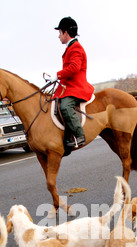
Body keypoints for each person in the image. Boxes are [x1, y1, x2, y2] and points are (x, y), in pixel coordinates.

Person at [46, 17, 94, 149]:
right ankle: (66, 138)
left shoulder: (76, 48)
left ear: (65, 33)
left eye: (59, 32)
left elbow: (74, 68)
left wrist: (57, 75)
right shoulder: (70, 47)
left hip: (76, 87)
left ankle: (79, 135)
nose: (58, 36)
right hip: (68, 87)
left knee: (65, 107)